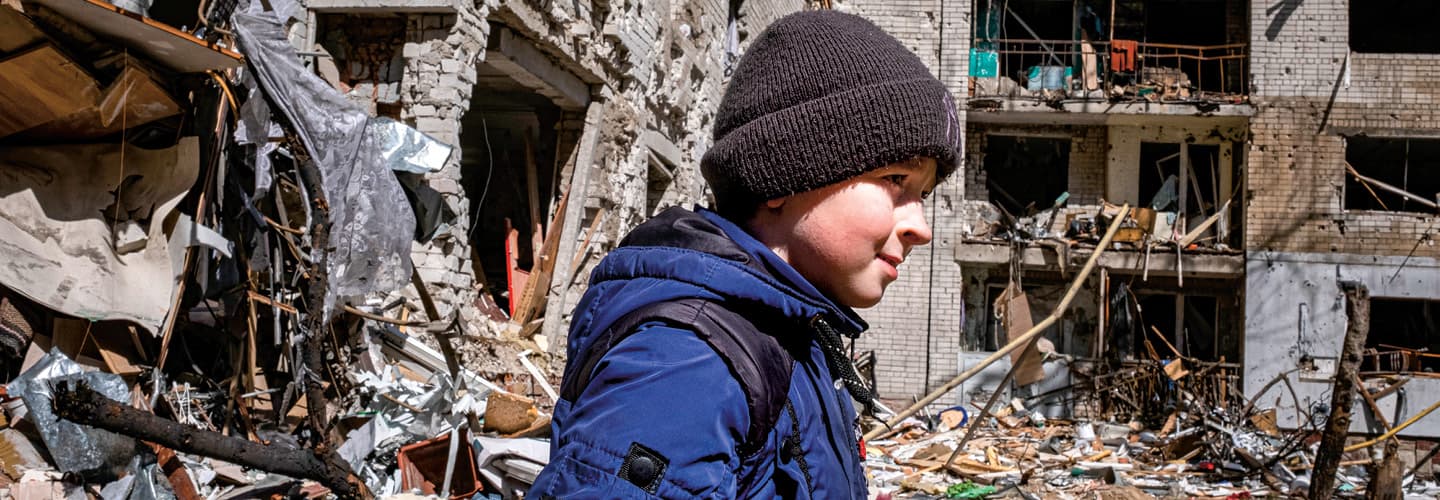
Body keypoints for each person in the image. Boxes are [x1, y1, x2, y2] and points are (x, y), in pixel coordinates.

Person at [528, 9, 959, 499]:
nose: (919, 228)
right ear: (783, 180)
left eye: (922, 195)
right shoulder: (687, 363)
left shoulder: (787, 333)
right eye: (895, 180)